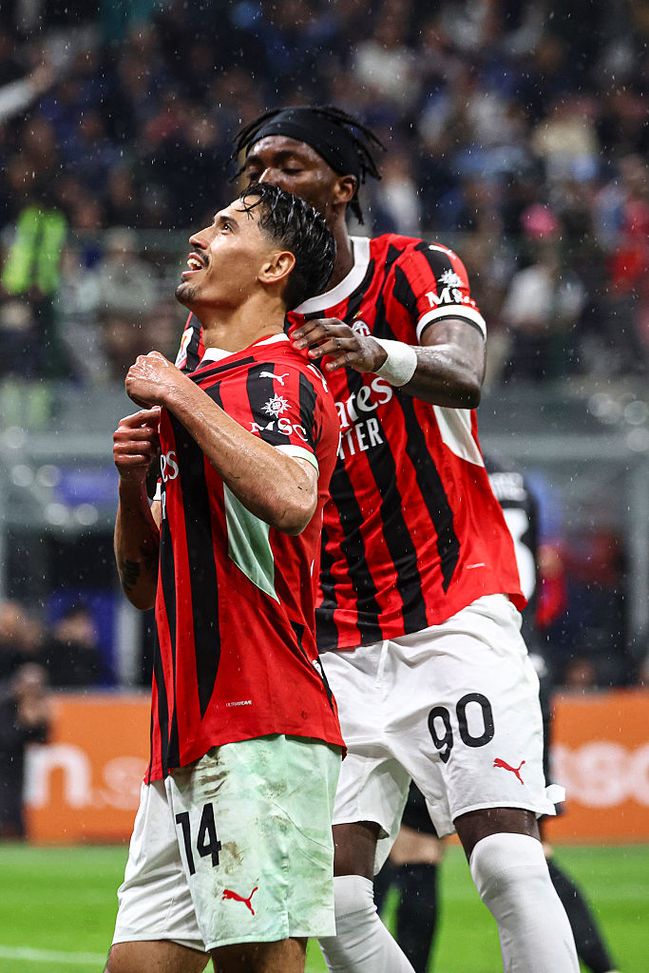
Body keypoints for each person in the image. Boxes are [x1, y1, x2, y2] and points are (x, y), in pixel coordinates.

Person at [177, 104, 579, 973]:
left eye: (288, 163)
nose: (264, 178)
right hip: (328, 644)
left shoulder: (412, 267)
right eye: (253, 166)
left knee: (507, 860)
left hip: (452, 607)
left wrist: (374, 353)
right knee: (335, 898)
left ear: (341, 187)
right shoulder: (243, 315)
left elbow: (463, 373)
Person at [107, 183, 345, 973]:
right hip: (182, 732)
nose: (200, 235)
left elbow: (290, 496)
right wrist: (131, 489)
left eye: (227, 225)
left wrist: (178, 391)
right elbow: (142, 585)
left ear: (276, 266)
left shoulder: (272, 378)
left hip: (258, 724)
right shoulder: (202, 391)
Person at [374, 454, 620, 973]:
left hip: (456, 664)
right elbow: (540, 579)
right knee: (525, 852)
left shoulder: (433, 466)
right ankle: (606, 967)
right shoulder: (516, 480)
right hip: (523, 666)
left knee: (416, 849)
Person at [0, 663, 51, 840]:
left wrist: (39, 724)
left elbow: (42, 741)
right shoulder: (5, 704)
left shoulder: (35, 706)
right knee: (7, 795)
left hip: (15, 760)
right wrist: (24, 723)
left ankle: (16, 832)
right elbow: (6, 738)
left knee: (15, 796)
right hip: (6, 759)